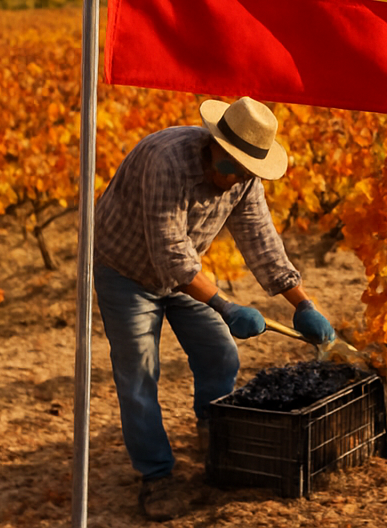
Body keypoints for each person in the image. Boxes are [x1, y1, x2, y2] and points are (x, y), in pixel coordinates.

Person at [93, 96, 337, 523]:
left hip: (185, 271)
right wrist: (225, 305)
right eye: (231, 168)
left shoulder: (243, 176)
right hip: (125, 270)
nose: (236, 178)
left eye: (245, 172)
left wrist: (302, 303)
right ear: (215, 146)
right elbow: (171, 257)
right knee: (139, 373)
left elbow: (261, 241)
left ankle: (215, 435)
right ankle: (156, 476)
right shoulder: (167, 162)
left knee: (220, 354)